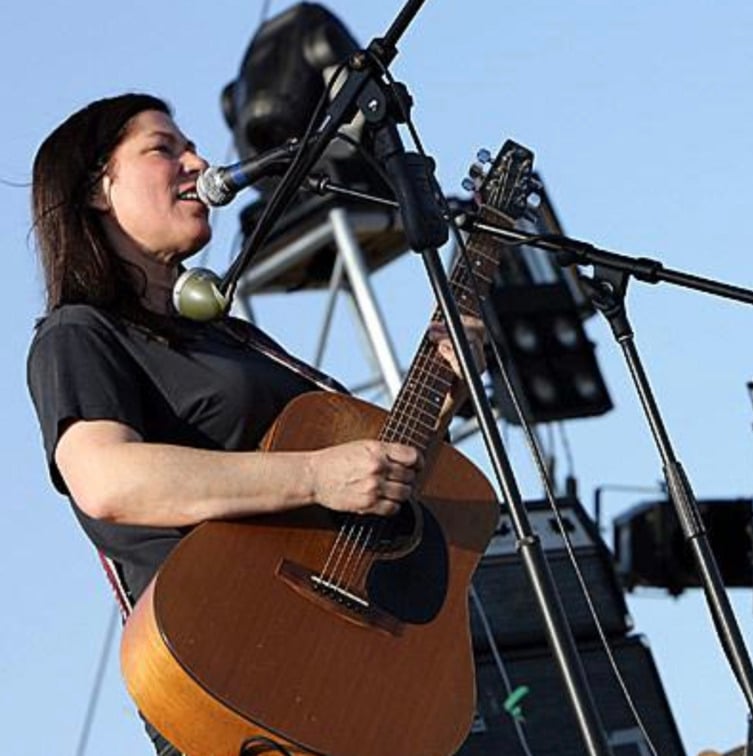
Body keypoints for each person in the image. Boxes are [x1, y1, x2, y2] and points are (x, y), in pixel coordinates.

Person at [26, 93, 485, 754]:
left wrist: (444, 384)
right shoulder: (79, 335)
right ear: (98, 188)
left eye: (191, 146)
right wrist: (316, 473)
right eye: (164, 148)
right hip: (231, 674)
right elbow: (106, 479)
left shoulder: (234, 339)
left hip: (341, 660)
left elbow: (367, 475)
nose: (198, 161)